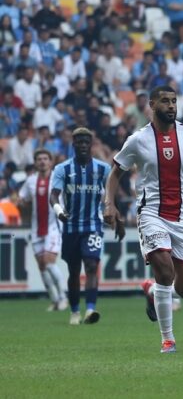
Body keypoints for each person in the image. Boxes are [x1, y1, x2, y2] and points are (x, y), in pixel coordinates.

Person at [103, 86, 183, 353]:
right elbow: (114, 174)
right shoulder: (137, 140)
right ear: (152, 105)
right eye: (165, 101)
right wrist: (110, 204)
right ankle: (168, 339)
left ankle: (152, 292)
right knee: (165, 271)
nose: (171, 106)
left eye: (174, 101)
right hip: (151, 214)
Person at [50, 127, 113, 325]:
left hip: (93, 225)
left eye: (87, 142)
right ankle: (75, 311)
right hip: (70, 227)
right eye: (80, 142)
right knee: (74, 270)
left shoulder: (103, 169)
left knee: (92, 266)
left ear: (91, 145)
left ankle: (91, 310)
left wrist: (112, 212)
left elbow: (111, 193)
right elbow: (54, 195)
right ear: (74, 145)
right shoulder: (62, 169)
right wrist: (59, 211)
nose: (83, 146)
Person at [18, 149, 67, 311]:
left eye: (45, 158)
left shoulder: (58, 178)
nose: (42, 162)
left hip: (54, 227)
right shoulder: (30, 181)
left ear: (51, 161)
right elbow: (22, 199)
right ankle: (54, 300)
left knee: (48, 262)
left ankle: (63, 297)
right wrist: (21, 204)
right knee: (42, 266)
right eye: (39, 159)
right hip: (36, 228)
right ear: (35, 162)